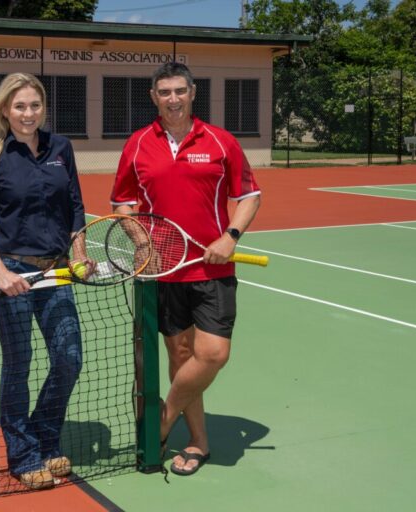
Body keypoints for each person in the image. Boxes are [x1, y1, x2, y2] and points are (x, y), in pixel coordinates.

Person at [110, 62, 261, 476]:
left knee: (212, 353)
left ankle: (162, 421)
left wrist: (229, 236)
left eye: (180, 91)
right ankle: (198, 443)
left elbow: (249, 196)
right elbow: (122, 203)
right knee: (179, 357)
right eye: (164, 92)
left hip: (212, 271)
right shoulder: (139, 144)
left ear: (193, 93)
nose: (173, 99)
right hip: (163, 271)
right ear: (153, 97)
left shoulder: (220, 141)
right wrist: (142, 242)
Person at [0, 72, 91, 490]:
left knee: (69, 356)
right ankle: (23, 454)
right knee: (18, 365)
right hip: (14, 272)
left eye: (34, 105)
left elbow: (75, 208)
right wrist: (0, 273)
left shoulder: (61, 148)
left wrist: (80, 255)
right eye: (19, 106)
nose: (27, 113)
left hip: (56, 271)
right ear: (6, 109)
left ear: (43, 108)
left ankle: (46, 435)